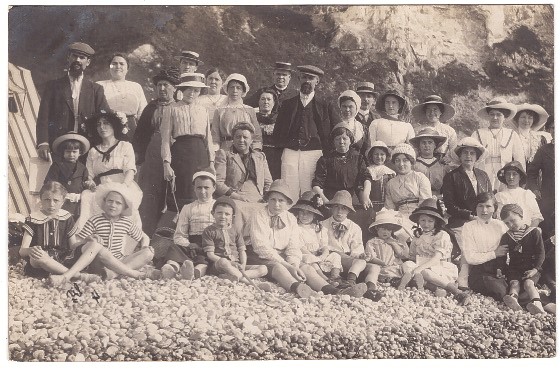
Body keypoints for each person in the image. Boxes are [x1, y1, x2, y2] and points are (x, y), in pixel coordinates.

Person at [248, 180, 366, 298]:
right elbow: (261, 246)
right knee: (279, 267)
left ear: (287, 202)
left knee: (306, 267)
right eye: (273, 199)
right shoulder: (259, 215)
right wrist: (288, 266)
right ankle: (298, 288)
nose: (276, 204)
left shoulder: (290, 218)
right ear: (267, 199)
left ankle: (335, 291)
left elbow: (293, 246)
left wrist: (294, 264)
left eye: (281, 200)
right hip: (261, 256)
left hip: (283, 255)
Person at [272, 65, 341, 200]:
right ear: (299, 79)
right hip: (290, 152)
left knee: (309, 189)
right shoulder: (288, 104)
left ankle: (309, 217)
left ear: (317, 81)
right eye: (304, 77)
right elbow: (278, 131)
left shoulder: (325, 105)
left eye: (311, 78)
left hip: (313, 152)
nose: (307, 81)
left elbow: (337, 129)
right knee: (288, 186)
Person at [36, 42, 109, 160]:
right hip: (58, 144)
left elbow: (105, 117)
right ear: (68, 58)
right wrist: (43, 143)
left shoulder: (96, 90)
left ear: (88, 62)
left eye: (82, 57)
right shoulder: (53, 86)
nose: (78, 60)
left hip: (87, 145)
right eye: (74, 56)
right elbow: (43, 117)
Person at [74, 182, 156, 281]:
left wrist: (144, 246)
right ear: (104, 203)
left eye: (118, 203)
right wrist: (88, 239)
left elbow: (144, 237)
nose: (113, 205)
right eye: (110, 201)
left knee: (148, 253)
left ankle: (113, 274)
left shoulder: (126, 223)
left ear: (124, 207)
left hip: (119, 260)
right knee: (99, 249)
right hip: (100, 261)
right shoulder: (94, 220)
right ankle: (127, 273)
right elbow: (78, 242)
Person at [133, 67, 180, 236]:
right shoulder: (150, 108)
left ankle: (166, 236)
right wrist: (138, 158)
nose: (162, 88)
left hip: (175, 153)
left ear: (174, 88)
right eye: (159, 85)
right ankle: (146, 234)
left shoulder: (180, 107)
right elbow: (139, 135)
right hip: (152, 156)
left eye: (166, 85)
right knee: (150, 196)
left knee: (172, 194)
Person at [441, 137, 492, 289]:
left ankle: (482, 280)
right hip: (461, 220)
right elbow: (450, 206)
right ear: (460, 156)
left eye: (472, 153)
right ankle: (463, 279)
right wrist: (469, 215)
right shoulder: (452, 176)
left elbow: (490, 200)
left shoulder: (483, 175)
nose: (468, 156)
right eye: (465, 153)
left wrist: (486, 216)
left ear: (477, 157)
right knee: (468, 247)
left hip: (483, 219)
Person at [78, 110, 141, 231]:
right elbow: (89, 175)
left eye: (106, 123)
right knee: (87, 198)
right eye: (98, 124)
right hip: (102, 187)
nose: (102, 127)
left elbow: (130, 170)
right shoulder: (93, 151)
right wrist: (90, 182)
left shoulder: (125, 146)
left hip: (123, 184)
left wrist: (123, 188)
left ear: (114, 125)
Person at [400, 198, 471, 305]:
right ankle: (435, 287)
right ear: (418, 221)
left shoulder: (441, 235)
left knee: (424, 272)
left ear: (436, 222)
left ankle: (455, 291)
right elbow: (413, 257)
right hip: (421, 265)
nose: (426, 224)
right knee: (407, 265)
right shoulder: (417, 236)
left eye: (430, 221)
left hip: (438, 266)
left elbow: (436, 258)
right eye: (423, 220)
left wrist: (419, 268)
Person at [161, 72, 214, 208]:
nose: (192, 93)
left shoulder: (203, 110)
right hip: (180, 153)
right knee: (181, 191)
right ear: (182, 90)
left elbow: (208, 137)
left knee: (200, 189)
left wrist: (212, 162)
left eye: (196, 90)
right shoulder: (171, 109)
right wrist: (166, 163)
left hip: (200, 154)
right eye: (189, 89)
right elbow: (166, 138)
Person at [321, 190, 381, 301]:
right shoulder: (323, 225)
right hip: (332, 260)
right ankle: (350, 283)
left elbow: (356, 250)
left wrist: (361, 255)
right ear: (332, 208)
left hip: (351, 263)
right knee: (359, 262)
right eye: (336, 207)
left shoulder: (355, 227)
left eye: (343, 208)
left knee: (374, 267)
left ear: (348, 210)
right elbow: (322, 247)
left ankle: (370, 290)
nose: (339, 212)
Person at [160, 171, 216, 280]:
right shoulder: (188, 208)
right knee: (174, 248)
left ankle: (194, 273)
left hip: (211, 245)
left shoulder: (219, 207)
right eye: (199, 188)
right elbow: (179, 235)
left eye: (206, 188)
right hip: (192, 245)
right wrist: (189, 245)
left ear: (214, 188)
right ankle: (172, 268)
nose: (202, 191)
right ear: (194, 189)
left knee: (204, 259)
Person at [214, 122, 272, 229]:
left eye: (245, 137)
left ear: (251, 140)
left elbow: (268, 182)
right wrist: (237, 196)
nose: (241, 140)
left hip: (258, 197)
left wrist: (266, 197)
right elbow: (218, 183)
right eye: (238, 137)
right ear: (233, 139)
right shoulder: (224, 154)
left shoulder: (260, 156)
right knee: (238, 211)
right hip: (235, 196)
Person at [203, 196, 268, 286]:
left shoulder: (235, 230)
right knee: (223, 261)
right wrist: (230, 263)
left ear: (232, 216)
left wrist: (243, 264)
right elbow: (210, 255)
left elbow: (242, 250)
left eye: (227, 214)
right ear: (213, 213)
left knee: (263, 268)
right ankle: (252, 283)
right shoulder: (209, 231)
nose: (223, 216)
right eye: (219, 213)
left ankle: (231, 276)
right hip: (219, 265)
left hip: (236, 265)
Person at [498, 204, 546, 314]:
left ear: (521, 216)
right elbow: (503, 256)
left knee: (528, 284)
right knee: (514, 284)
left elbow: (541, 253)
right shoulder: (507, 236)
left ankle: (537, 305)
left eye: (513, 220)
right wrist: (500, 269)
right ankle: (513, 301)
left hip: (531, 267)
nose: (511, 225)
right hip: (514, 268)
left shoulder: (534, 232)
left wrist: (535, 269)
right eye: (507, 223)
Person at [460, 192, 508, 299]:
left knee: (515, 283)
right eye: (480, 206)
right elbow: (470, 257)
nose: (484, 210)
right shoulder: (469, 227)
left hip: (500, 267)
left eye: (488, 206)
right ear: (475, 207)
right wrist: (494, 254)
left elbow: (507, 249)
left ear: (494, 208)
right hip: (480, 270)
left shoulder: (500, 225)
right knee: (499, 291)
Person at [472, 98, 525, 190]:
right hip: (483, 170)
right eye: (492, 114)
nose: (495, 118)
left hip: (505, 173)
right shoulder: (478, 133)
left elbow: (519, 159)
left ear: (504, 117)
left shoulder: (511, 134)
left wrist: (520, 180)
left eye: (499, 115)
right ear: (488, 116)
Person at [289, 191, 341, 282]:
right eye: (302, 212)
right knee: (310, 259)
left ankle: (335, 277)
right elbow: (300, 247)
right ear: (298, 213)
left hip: (319, 255)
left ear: (314, 215)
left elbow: (324, 245)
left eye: (308, 213)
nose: (304, 216)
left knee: (336, 256)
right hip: (305, 255)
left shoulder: (318, 228)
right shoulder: (296, 228)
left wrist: (324, 254)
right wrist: (314, 257)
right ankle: (325, 279)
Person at [384, 143, 432, 240]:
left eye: (405, 160)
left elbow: (426, 203)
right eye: (397, 160)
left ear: (411, 162)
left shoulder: (420, 177)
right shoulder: (391, 183)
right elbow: (389, 207)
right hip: (399, 217)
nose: (401, 164)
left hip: (419, 216)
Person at [312, 126, 370, 204]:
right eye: (337, 139)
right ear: (333, 142)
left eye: (344, 138)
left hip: (352, 198)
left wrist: (365, 196)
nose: (341, 142)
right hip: (332, 198)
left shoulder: (358, 158)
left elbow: (366, 178)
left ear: (351, 141)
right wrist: (326, 202)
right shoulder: (325, 159)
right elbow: (317, 184)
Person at [97, 53, 147, 140]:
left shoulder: (136, 86)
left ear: (127, 68)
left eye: (122, 64)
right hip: (106, 128)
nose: (118, 66)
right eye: (114, 63)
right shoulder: (99, 85)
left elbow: (142, 113)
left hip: (130, 129)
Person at [44, 132, 94, 219]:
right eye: (68, 152)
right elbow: (49, 182)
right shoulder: (57, 166)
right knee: (60, 220)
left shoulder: (82, 168)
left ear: (80, 152)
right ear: (63, 152)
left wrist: (88, 184)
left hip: (76, 203)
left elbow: (85, 183)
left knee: (74, 221)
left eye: (74, 152)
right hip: (61, 201)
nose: (71, 155)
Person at [212, 73, 263, 152]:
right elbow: (215, 136)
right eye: (232, 87)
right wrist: (216, 152)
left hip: (245, 149)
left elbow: (257, 135)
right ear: (227, 89)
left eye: (238, 88)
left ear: (243, 91)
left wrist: (255, 151)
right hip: (226, 149)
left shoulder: (249, 110)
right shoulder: (219, 110)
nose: (234, 91)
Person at [364, 209, 409, 290]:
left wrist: (393, 244)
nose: (386, 232)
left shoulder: (394, 241)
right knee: (382, 272)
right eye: (383, 229)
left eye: (389, 230)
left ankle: (406, 280)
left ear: (392, 231)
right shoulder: (372, 242)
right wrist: (381, 263)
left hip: (395, 266)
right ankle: (397, 282)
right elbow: (371, 257)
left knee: (405, 267)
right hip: (381, 266)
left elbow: (401, 255)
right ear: (377, 228)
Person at [527, 116, 555, 239]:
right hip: (547, 197)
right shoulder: (544, 150)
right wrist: (535, 189)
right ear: (549, 130)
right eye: (553, 128)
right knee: (548, 231)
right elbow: (531, 173)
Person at [495, 161, 543, 227]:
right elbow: (499, 219)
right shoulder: (500, 196)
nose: (511, 177)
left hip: (527, 232)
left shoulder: (527, 194)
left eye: (514, 174)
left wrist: (528, 233)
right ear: (505, 176)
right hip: (507, 233)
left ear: (520, 177)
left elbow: (536, 218)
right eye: (508, 174)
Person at [410, 95, 458, 161]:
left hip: (442, 164)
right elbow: (413, 149)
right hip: (421, 163)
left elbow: (454, 150)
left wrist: (448, 158)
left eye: (435, 109)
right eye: (428, 110)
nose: (432, 113)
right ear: (425, 112)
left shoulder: (449, 131)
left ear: (441, 112)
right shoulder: (417, 130)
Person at [409, 127, 450, 197]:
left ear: (435, 145)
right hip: (417, 200)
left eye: (430, 142)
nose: (427, 145)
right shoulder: (413, 165)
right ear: (419, 146)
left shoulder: (442, 166)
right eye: (423, 143)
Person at [255, 88, 282, 180]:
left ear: (274, 103)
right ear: (258, 101)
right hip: (256, 153)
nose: (266, 102)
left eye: (269, 99)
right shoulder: (252, 118)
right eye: (263, 99)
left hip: (275, 157)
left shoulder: (280, 119)